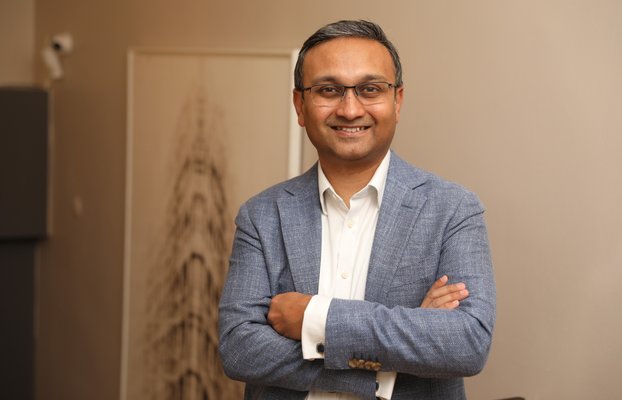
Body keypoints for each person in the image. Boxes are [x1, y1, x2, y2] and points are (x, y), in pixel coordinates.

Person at [218, 20, 495, 400]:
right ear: (300, 105)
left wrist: (314, 318)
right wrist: (387, 359)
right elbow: (240, 349)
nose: (350, 109)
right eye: (328, 90)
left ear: (397, 101)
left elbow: (467, 343)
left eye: (370, 89)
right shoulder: (262, 215)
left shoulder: (453, 209)